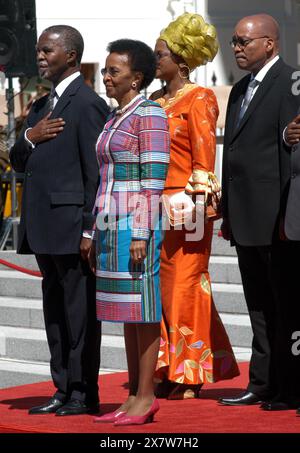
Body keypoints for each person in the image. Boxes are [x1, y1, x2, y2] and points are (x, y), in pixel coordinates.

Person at [9, 25, 109, 416]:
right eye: (37, 50)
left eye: (46, 50)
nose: (39, 56)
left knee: (79, 314)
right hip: (43, 228)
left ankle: (85, 392)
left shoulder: (86, 104)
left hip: (73, 229)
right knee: (55, 313)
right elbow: (18, 159)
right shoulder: (39, 106)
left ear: (70, 56)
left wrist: (90, 228)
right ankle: (62, 387)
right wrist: (30, 136)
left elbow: (96, 173)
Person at [150, 12, 239, 401]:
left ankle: (190, 374)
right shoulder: (153, 100)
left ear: (181, 61)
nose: (155, 61)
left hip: (189, 206)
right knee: (163, 290)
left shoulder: (199, 98)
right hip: (151, 207)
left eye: (160, 54)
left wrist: (200, 205)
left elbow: (204, 157)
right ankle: (173, 367)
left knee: (186, 288)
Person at [219, 14, 300, 409]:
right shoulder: (239, 90)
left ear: (269, 43)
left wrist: (291, 216)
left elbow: (293, 146)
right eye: (234, 41)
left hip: (277, 216)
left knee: (287, 306)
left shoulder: (291, 81)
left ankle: (291, 386)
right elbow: (231, 151)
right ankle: (263, 382)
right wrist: (227, 211)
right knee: (258, 306)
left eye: (243, 42)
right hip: (245, 215)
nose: (235, 48)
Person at [90, 39, 170, 426]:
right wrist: (94, 231)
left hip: (135, 225)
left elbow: (152, 179)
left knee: (144, 308)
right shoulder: (113, 116)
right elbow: (105, 179)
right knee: (126, 311)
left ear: (136, 77)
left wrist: (140, 232)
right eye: (106, 71)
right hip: (109, 222)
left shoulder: (149, 114)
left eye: (113, 71)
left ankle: (147, 395)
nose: (105, 77)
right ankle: (133, 394)